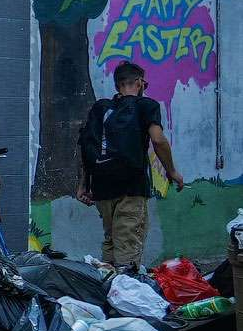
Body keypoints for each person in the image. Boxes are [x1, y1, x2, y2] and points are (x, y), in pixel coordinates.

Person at [77, 61, 183, 270]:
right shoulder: (146, 105)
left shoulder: (100, 108)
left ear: (118, 86)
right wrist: (171, 171)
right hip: (131, 187)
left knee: (111, 241)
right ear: (140, 83)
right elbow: (158, 140)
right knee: (128, 248)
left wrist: (83, 184)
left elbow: (87, 146)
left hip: (101, 187)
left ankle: (107, 284)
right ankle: (126, 286)